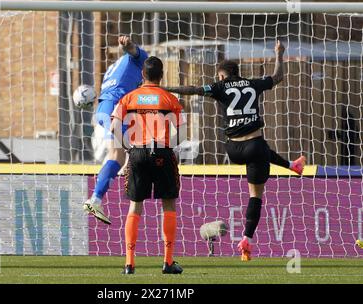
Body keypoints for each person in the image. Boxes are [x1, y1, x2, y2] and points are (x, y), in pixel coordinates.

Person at [164, 40, 306, 261]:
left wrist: (165, 88)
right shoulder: (252, 83)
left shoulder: (220, 87)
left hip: (233, 149)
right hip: (255, 146)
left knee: (261, 150)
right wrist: (279, 54)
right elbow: (278, 77)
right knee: (255, 195)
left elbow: (193, 90)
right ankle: (246, 240)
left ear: (222, 76)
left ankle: (292, 165)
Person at [111, 56, 186, 274]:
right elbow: (181, 133)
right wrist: (167, 146)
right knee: (168, 204)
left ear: (142, 75)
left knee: (135, 205)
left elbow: (115, 126)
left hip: (137, 152)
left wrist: (128, 147)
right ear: (161, 75)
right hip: (162, 151)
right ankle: (168, 261)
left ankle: (129, 262)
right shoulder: (169, 99)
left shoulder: (129, 98)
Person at [83, 36, 148, 225]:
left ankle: (97, 198)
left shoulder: (115, 66)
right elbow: (134, 51)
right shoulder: (138, 59)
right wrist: (128, 45)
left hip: (104, 109)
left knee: (118, 154)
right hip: (116, 108)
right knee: (119, 156)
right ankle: (95, 199)